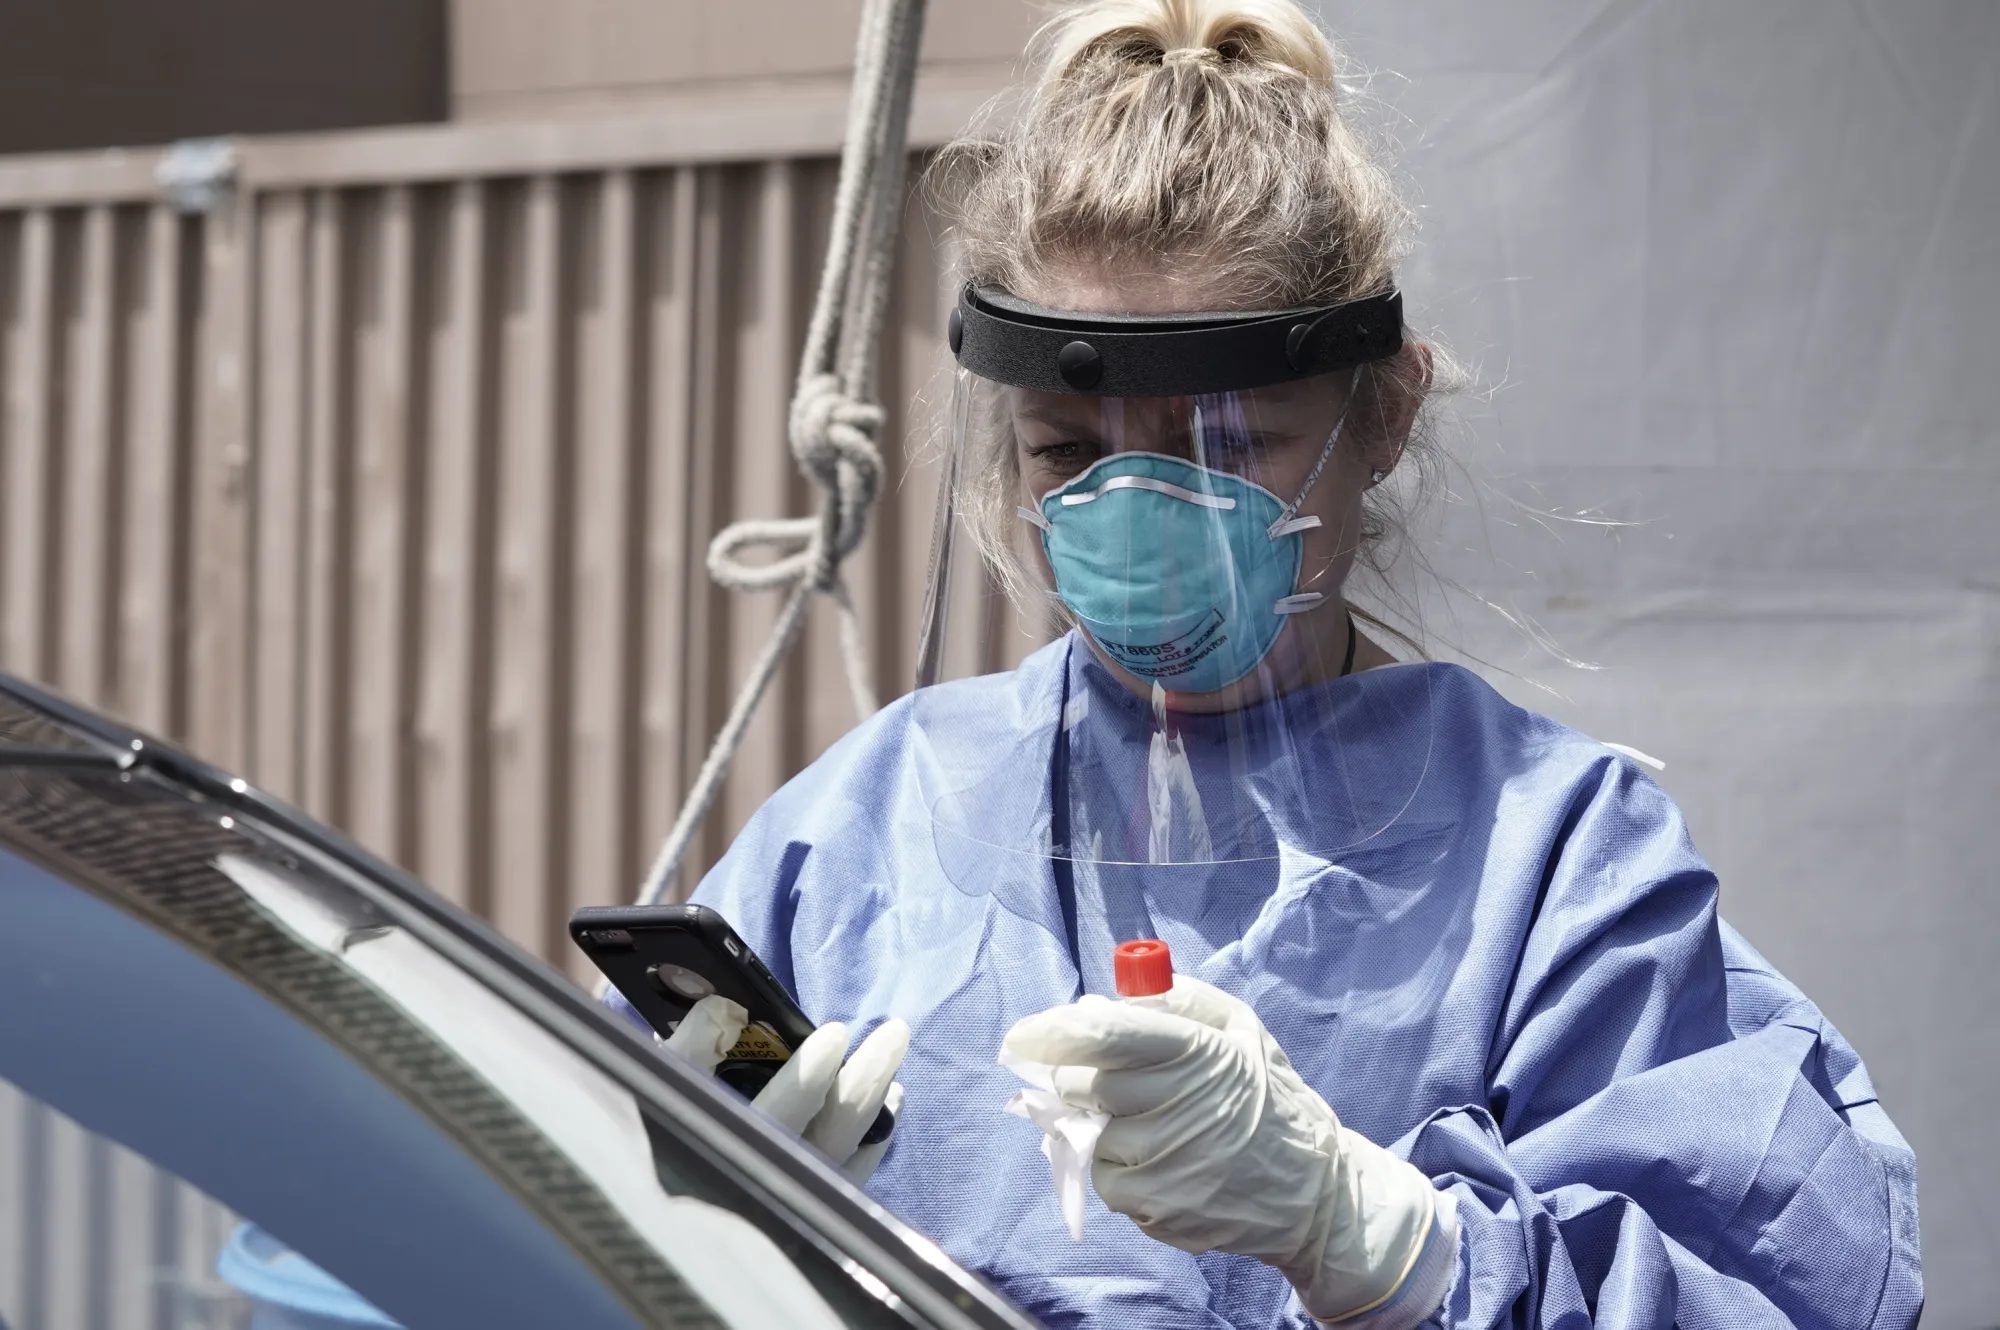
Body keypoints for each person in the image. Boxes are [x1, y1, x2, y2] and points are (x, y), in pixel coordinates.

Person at [613, 0, 1923, 1325]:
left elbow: (1779, 1286)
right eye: (1071, 450)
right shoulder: (867, 833)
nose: (1138, 510)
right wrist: (685, 1224)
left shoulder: (1551, 866)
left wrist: (1393, 1249)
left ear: (1387, 412)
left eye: (1226, 446)